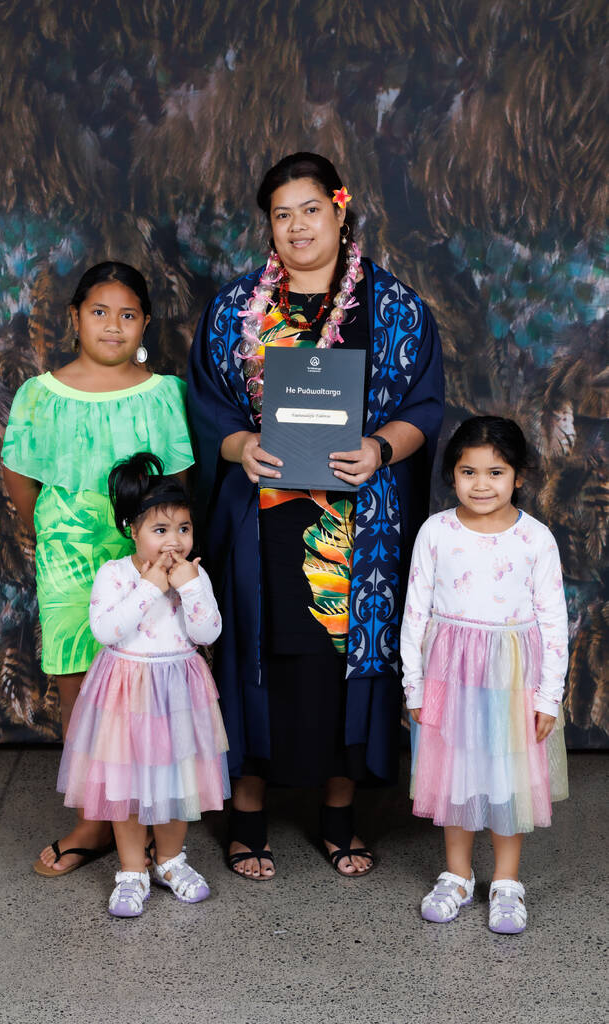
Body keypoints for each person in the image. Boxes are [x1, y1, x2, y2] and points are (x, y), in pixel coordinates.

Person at [187, 152, 444, 879]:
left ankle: (339, 813)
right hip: (260, 516)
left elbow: (424, 404)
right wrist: (240, 444)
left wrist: (380, 447)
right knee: (255, 657)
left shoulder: (393, 310)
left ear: (338, 207)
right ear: (267, 224)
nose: (296, 225)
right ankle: (245, 813)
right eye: (280, 213)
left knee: (343, 666)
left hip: (358, 524)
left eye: (309, 208)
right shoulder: (235, 309)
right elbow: (205, 404)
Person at [2, 261, 194, 876]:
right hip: (67, 556)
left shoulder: (164, 392)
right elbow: (20, 474)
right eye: (99, 312)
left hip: (146, 558)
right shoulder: (40, 393)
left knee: (149, 682)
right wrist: (55, 534)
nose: (114, 326)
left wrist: (165, 553)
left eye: (129, 315)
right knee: (80, 686)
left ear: (145, 324)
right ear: (74, 318)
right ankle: (95, 818)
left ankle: (151, 809)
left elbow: (180, 482)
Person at [400, 416, 569, 933]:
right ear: (452, 475)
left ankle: (507, 884)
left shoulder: (535, 539)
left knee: (504, 779)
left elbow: (554, 620)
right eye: (467, 471)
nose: (480, 484)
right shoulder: (436, 531)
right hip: (450, 674)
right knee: (456, 776)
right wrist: (414, 682)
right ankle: (456, 875)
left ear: (518, 477)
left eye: (495, 472)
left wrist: (548, 697)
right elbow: (416, 612)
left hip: (512, 678)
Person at [57, 453, 229, 916]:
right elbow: (107, 630)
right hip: (126, 693)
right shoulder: (115, 575)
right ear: (131, 530)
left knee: (176, 782)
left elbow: (208, 633)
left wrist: (190, 587)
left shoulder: (194, 575)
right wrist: (151, 587)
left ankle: (170, 860)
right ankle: (132, 870)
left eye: (184, 529)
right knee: (127, 786)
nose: (174, 542)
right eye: (160, 531)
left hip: (178, 691)